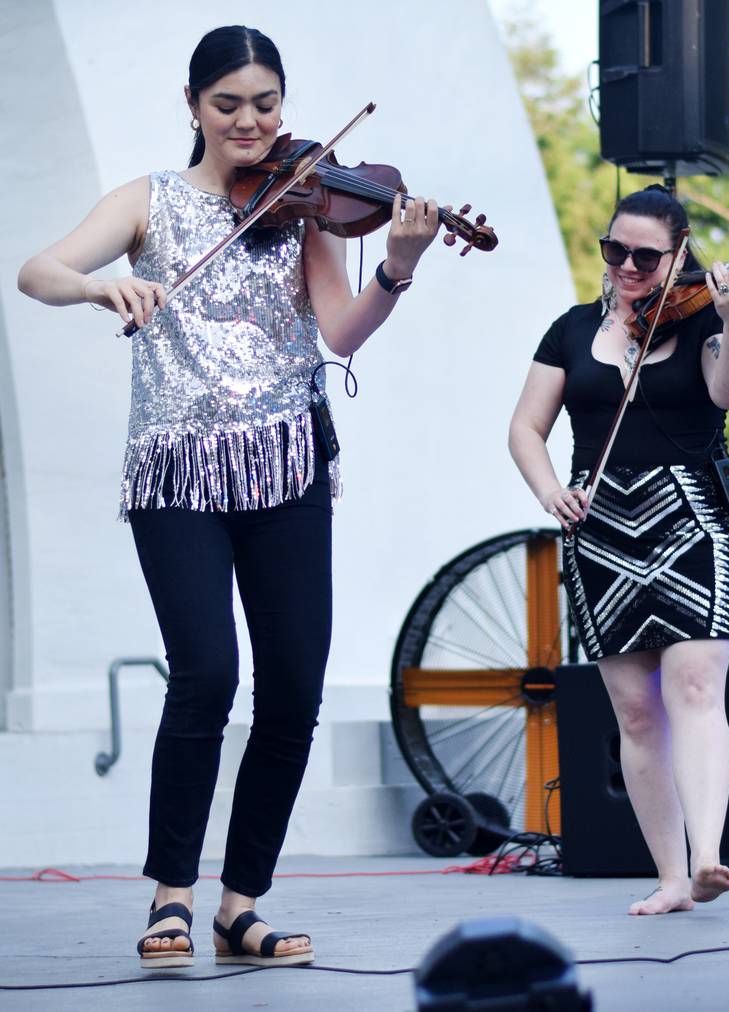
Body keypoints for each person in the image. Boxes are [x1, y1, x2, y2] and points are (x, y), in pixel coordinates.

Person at [18, 25, 442, 967]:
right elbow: (38, 270)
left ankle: (239, 903)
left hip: (287, 464)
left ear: (283, 106)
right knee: (207, 673)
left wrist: (399, 267)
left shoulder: (304, 208)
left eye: (265, 103)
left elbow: (341, 332)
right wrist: (104, 292)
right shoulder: (150, 200)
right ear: (193, 106)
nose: (250, 122)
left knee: (292, 689)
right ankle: (172, 895)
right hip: (179, 470)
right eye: (228, 105)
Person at [509, 184, 729, 915]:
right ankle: (672, 879)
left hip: (693, 519)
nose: (627, 266)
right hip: (602, 530)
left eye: (646, 256)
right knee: (637, 712)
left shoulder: (706, 314)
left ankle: (708, 854)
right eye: (615, 250)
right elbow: (526, 428)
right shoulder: (570, 329)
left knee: (692, 688)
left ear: (677, 254)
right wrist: (550, 488)